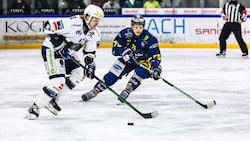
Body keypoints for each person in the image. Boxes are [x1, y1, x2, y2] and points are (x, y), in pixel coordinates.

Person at [25, 4, 104, 120]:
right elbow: (48, 25)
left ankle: (53, 100)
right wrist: (59, 44)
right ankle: (35, 107)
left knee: (80, 73)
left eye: (99, 20)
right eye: (95, 20)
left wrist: (90, 64)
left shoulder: (94, 32)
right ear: (87, 17)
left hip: (68, 53)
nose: (97, 23)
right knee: (58, 81)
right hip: (51, 49)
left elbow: (89, 51)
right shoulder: (72, 23)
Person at [81, 14, 162, 103]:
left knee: (141, 71)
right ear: (132, 26)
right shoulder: (125, 34)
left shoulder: (149, 38)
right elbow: (115, 50)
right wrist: (123, 51)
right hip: (128, 60)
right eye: (136, 27)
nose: (138, 29)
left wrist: (155, 68)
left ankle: (128, 90)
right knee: (113, 73)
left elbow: (155, 55)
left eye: (140, 27)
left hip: (143, 61)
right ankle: (96, 90)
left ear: (143, 27)